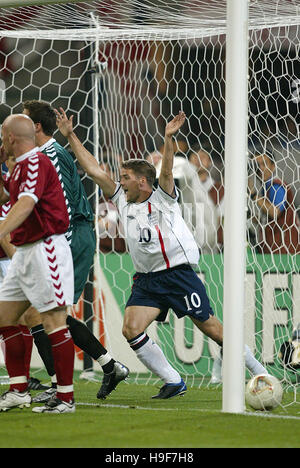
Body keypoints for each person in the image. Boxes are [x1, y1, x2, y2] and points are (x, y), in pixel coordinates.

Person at [55, 107, 269, 399]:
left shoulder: (163, 198)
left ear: (142, 181)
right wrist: (70, 135)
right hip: (147, 281)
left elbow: (166, 171)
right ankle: (173, 380)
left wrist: (168, 139)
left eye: (126, 177)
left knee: (214, 330)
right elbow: (93, 170)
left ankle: (261, 373)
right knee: (131, 328)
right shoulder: (122, 200)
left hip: (178, 275)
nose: (121, 181)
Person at [20, 100, 129, 404]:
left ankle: (63, 385)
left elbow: (63, 206)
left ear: (36, 127)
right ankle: (108, 367)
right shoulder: (43, 154)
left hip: (71, 236)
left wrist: (56, 246)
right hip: (67, 236)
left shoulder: (51, 156)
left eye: (24, 120)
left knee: (46, 312)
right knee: (39, 313)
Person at [0, 114, 75, 413]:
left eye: (3, 133)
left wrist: (1, 230)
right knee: (5, 316)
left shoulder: (35, 162)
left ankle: (66, 397)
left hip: (47, 249)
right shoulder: (18, 167)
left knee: (54, 322)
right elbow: (7, 197)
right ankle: (18, 389)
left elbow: (26, 203)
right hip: (25, 250)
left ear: (11, 137)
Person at [248, 150, 300, 254]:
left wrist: (253, 195)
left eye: (264, 164)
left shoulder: (276, 186)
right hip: (275, 248)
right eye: (257, 165)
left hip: (284, 251)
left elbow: (275, 212)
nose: (260, 168)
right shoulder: (266, 188)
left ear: (273, 166)